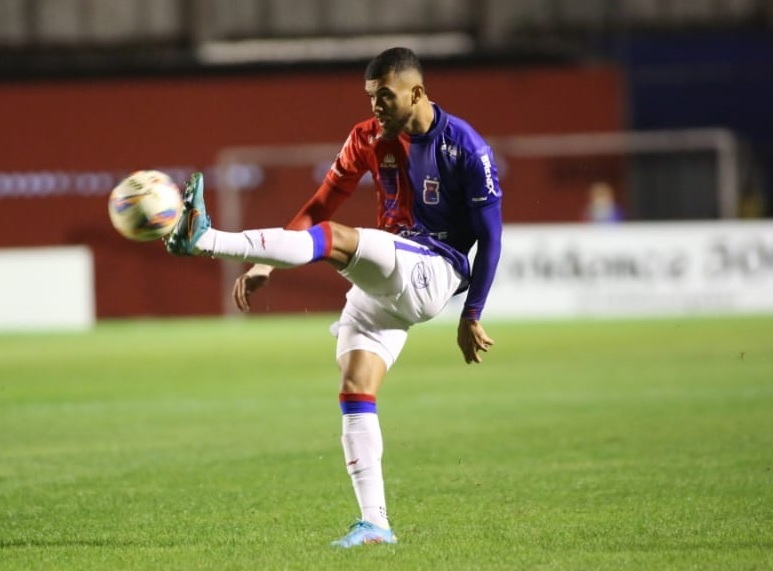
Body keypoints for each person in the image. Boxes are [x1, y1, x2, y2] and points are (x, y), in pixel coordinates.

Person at [165, 47, 503, 547]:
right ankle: (376, 525)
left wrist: (471, 313)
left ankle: (206, 239)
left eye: (385, 96)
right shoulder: (366, 138)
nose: (376, 107)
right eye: (371, 97)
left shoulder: (465, 147)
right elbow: (321, 201)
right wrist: (265, 262)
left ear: (417, 92)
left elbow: (491, 235)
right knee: (355, 388)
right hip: (388, 277)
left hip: (433, 270)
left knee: (337, 238)